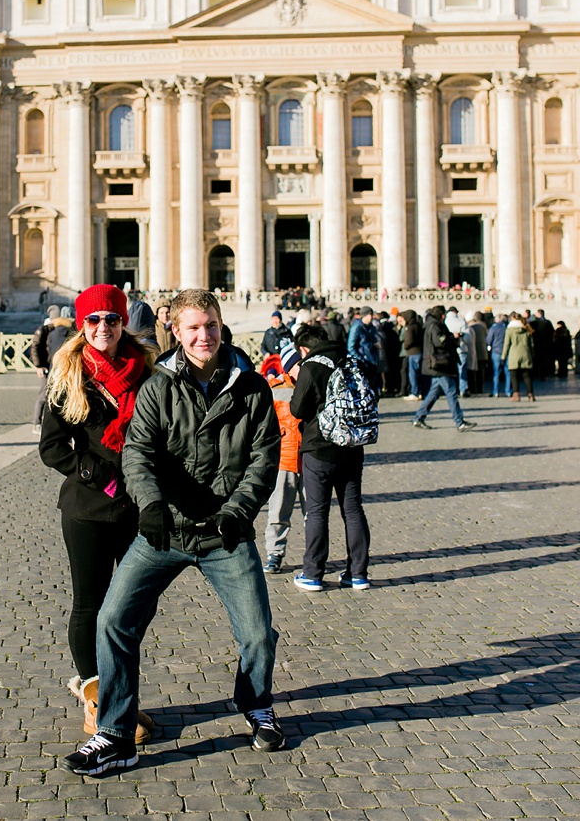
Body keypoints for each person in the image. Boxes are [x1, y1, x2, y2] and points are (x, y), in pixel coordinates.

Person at [62, 288, 283, 777]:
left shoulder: (252, 386)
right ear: (176, 333)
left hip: (227, 531)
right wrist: (152, 504)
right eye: (193, 328)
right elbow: (138, 451)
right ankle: (115, 733)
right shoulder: (159, 385)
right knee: (112, 620)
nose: (203, 335)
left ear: (221, 326)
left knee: (257, 633)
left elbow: (265, 458)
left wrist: (238, 511)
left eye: (210, 325)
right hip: (168, 529)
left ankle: (256, 705)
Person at [38, 284, 157, 745]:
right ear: (80, 325)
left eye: (111, 318)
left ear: (123, 321)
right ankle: (96, 699)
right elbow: (51, 446)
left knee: (129, 608)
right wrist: (89, 469)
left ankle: (119, 693)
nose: (102, 327)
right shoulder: (68, 373)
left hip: (138, 507)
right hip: (88, 507)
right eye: (93, 320)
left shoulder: (147, 370)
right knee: (90, 604)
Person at [288, 324, 371, 591]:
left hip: (319, 447)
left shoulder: (311, 366)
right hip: (352, 446)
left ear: (303, 347)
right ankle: (357, 573)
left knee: (317, 511)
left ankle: (313, 573)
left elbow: (298, 409)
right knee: (353, 509)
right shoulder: (353, 362)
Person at [261, 366, 304, 574]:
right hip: (283, 459)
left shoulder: (312, 383)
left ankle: (315, 556)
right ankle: (274, 553)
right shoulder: (275, 388)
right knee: (278, 511)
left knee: (313, 514)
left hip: (307, 459)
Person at [412, 306, 477, 431]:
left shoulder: (430, 325)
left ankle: (418, 417)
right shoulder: (435, 326)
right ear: (442, 315)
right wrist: (453, 338)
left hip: (436, 364)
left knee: (434, 393)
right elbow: (440, 342)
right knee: (451, 392)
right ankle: (459, 422)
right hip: (440, 364)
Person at [31, 304, 61, 431]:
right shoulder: (44, 330)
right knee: (43, 395)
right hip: (45, 367)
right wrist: (39, 366)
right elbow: (35, 348)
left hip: (52, 366)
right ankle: (36, 423)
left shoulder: (56, 329)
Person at [505, 312, 536, 401]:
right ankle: (531, 394)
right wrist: (532, 354)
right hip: (526, 353)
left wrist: (504, 355)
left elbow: (507, 344)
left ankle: (516, 395)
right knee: (527, 376)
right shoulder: (527, 329)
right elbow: (531, 344)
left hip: (513, 354)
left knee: (514, 376)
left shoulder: (509, 330)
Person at [347, 306, 382, 384]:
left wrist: (376, 346)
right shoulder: (356, 328)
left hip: (372, 360)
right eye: (371, 315)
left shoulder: (371, 327)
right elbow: (351, 347)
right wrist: (361, 360)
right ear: (365, 315)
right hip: (363, 362)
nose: (373, 317)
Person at [401, 309, 425, 399]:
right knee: (419, 374)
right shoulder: (418, 325)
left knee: (413, 374)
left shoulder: (410, 327)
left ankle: (414, 392)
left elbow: (409, 340)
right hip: (419, 352)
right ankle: (420, 391)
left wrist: (406, 346)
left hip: (412, 352)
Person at [487, 311, 510, 396]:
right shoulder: (507, 327)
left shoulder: (493, 328)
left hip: (496, 351)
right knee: (507, 372)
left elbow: (489, 340)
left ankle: (495, 391)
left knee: (496, 372)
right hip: (506, 351)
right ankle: (508, 391)